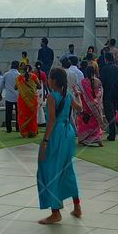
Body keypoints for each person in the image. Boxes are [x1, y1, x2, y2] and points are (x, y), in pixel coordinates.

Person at [36, 67, 82, 224]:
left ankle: (55, 212)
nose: (47, 79)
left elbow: (52, 120)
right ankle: (77, 207)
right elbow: (80, 109)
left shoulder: (51, 96)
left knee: (48, 169)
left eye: (49, 77)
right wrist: (78, 95)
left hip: (56, 134)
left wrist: (45, 141)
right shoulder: (67, 94)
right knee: (67, 169)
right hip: (68, 132)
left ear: (53, 80)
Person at [76, 64, 107, 147]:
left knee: (85, 123)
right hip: (96, 106)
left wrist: (77, 94)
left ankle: (85, 139)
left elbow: (82, 94)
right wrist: (96, 101)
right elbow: (100, 94)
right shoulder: (98, 81)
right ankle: (98, 139)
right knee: (95, 123)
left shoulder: (83, 82)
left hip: (86, 106)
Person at [98, 49, 118, 142]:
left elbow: (101, 82)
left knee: (109, 114)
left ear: (106, 60)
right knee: (116, 113)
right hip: (117, 93)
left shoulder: (104, 69)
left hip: (107, 93)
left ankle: (112, 133)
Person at [16, 63, 40, 137]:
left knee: (23, 115)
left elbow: (15, 87)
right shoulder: (34, 76)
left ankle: (25, 132)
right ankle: (32, 131)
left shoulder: (19, 78)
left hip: (23, 99)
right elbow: (39, 86)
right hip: (33, 99)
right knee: (32, 116)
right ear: (31, 70)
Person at [0, 60, 21, 132]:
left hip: (8, 97)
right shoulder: (19, 75)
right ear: (18, 67)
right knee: (18, 113)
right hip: (18, 97)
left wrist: (0, 94)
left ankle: (9, 128)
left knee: (8, 113)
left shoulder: (6, 74)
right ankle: (18, 127)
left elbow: (1, 86)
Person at [34, 60, 48, 125]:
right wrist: (46, 92)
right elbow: (45, 84)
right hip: (41, 90)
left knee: (35, 106)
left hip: (34, 90)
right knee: (40, 106)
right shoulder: (43, 73)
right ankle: (41, 120)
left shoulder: (33, 73)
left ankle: (35, 120)